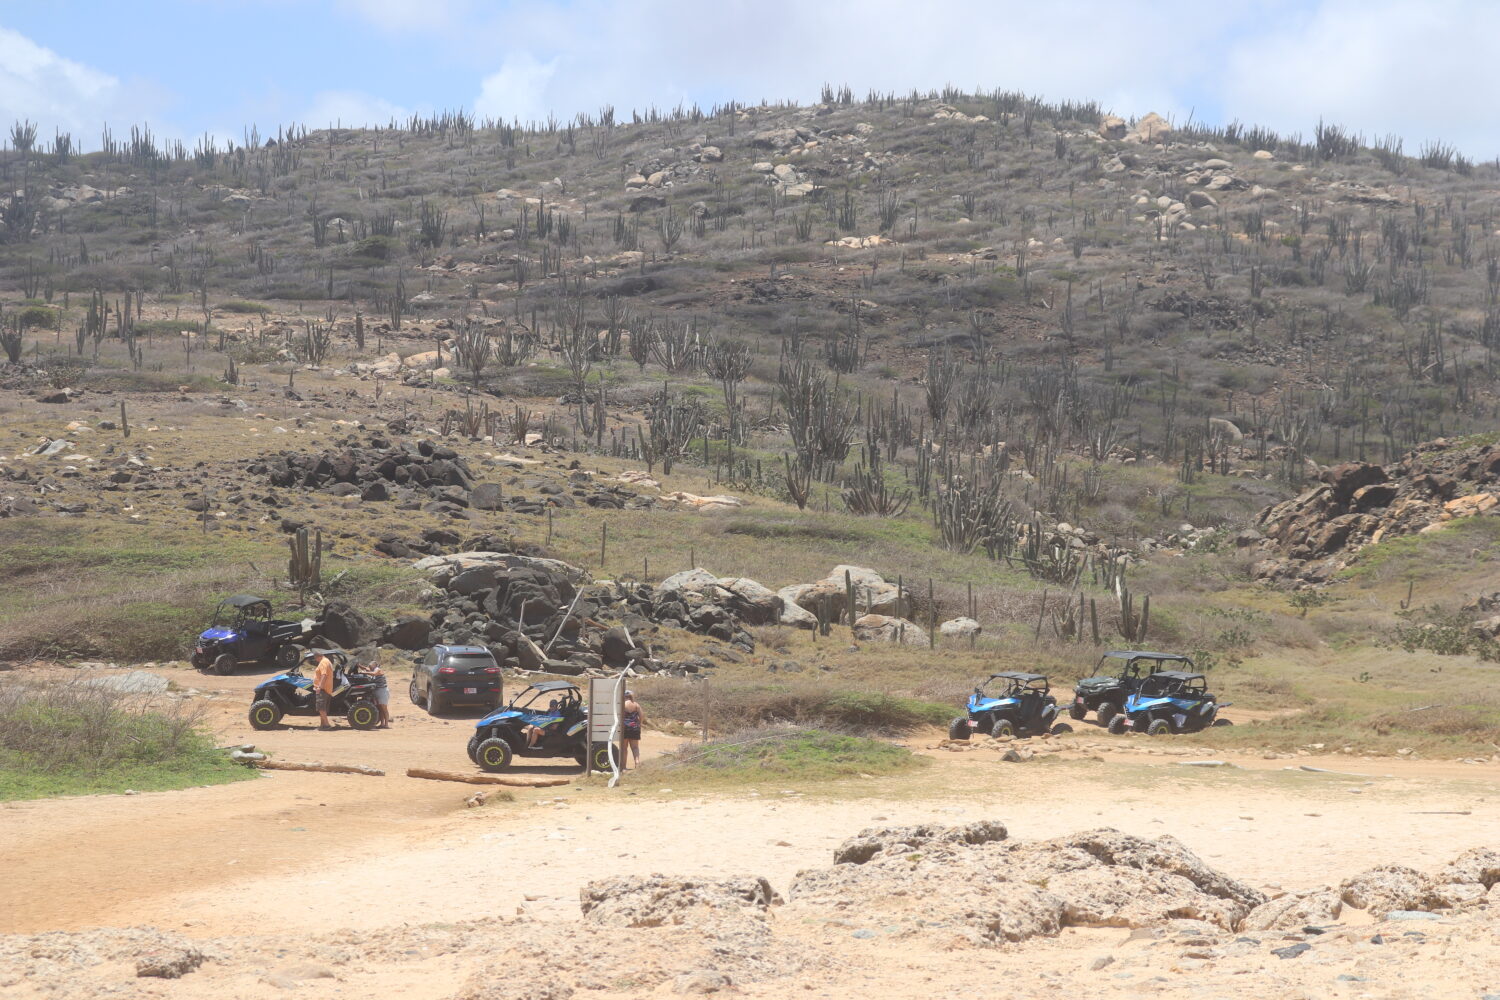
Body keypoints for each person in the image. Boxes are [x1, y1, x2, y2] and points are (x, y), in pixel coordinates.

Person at [360, 657, 391, 729]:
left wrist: (364, 672)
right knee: (380, 708)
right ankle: (382, 724)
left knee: (384, 708)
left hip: (382, 691)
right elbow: (366, 669)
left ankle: (386, 724)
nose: (369, 667)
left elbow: (373, 674)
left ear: (374, 665)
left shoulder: (378, 670)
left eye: (370, 666)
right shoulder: (373, 669)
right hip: (378, 691)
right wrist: (359, 666)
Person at [310, 650, 336, 730]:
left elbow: (324, 675)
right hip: (327, 688)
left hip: (323, 689)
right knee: (323, 708)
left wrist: (319, 687)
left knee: (321, 708)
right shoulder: (327, 661)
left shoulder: (323, 662)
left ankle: (327, 725)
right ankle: (322, 725)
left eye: (315, 658)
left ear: (318, 656)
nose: (316, 660)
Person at [620, 690, 645, 769]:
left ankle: (624, 767)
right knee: (635, 747)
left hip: (625, 728)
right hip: (635, 727)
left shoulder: (622, 704)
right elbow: (642, 716)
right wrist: (639, 724)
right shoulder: (636, 705)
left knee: (624, 748)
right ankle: (637, 763)